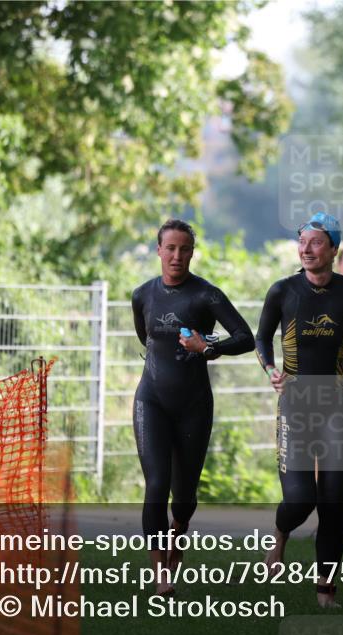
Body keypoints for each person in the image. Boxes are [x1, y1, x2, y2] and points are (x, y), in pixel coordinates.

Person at [255, 212, 343, 608]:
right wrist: (270, 369)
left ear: (333, 249)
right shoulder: (282, 291)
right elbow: (262, 337)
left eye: (316, 242)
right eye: (302, 241)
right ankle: (280, 537)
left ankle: (325, 591)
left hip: (337, 405)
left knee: (333, 502)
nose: (306, 248)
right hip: (295, 405)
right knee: (300, 501)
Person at [132, 219, 254, 595]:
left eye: (184, 249)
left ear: (192, 252)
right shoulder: (142, 295)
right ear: (158, 250)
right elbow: (146, 336)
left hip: (193, 405)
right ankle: (160, 576)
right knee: (156, 485)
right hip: (150, 399)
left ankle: (178, 537)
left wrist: (209, 348)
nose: (176, 256)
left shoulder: (206, 296)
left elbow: (245, 337)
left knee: (182, 498)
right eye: (170, 248)